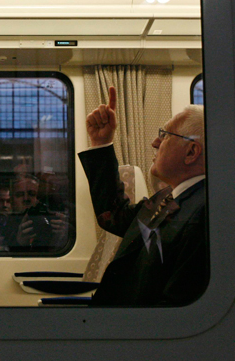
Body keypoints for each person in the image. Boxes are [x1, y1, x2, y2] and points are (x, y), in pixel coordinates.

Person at [80, 86, 207, 306]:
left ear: (191, 152)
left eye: (165, 135)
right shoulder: (168, 197)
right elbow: (115, 216)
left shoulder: (204, 214)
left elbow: (175, 306)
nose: (155, 143)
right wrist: (101, 144)